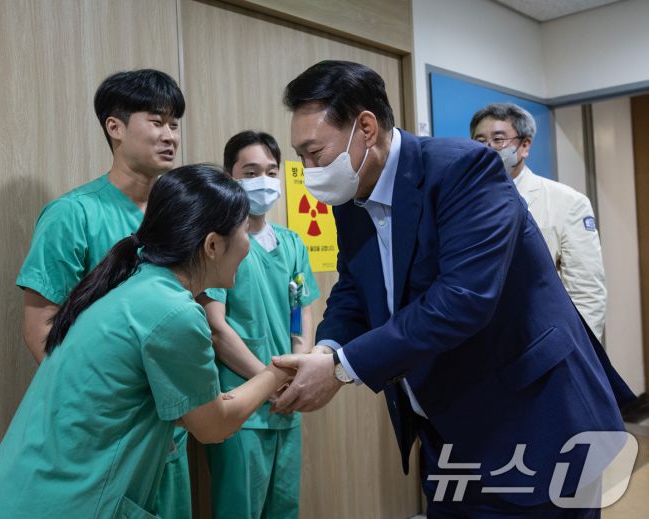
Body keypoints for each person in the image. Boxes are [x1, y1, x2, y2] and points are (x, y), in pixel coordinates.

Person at [271, 60, 635, 516]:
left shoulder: (463, 169)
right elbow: (353, 289)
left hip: (533, 418)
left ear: (365, 128)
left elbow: (462, 300)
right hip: (447, 428)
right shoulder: (351, 197)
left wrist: (342, 368)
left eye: (315, 153)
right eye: (300, 157)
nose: (308, 171)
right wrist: (326, 350)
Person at [0, 165, 294, 519]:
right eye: (244, 230)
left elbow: (191, 408)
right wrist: (278, 373)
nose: (248, 245)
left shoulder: (136, 286)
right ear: (212, 245)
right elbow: (213, 426)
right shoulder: (174, 312)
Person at [14, 69, 191, 518]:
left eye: (175, 124)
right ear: (115, 127)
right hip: (108, 433)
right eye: (157, 122)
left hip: (171, 427)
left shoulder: (179, 219)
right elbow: (40, 329)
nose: (170, 136)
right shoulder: (72, 215)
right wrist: (104, 415)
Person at [197, 131, 319, 519]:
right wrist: (271, 382)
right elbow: (216, 328)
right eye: (250, 173)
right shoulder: (216, 243)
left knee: (284, 508)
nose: (263, 182)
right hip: (242, 407)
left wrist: (298, 371)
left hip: (287, 404)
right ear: (229, 178)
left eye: (270, 171)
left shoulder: (292, 243)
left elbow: (303, 311)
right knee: (240, 509)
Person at [470, 103, 607, 340]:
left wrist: (577, 347)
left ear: (524, 146)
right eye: (479, 141)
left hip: (539, 337)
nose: (488, 148)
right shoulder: (462, 199)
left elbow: (587, 290)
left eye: (498, 139)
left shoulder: (567, 202)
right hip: (477, 337)